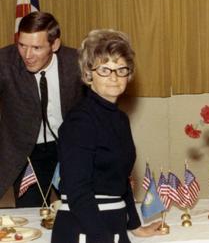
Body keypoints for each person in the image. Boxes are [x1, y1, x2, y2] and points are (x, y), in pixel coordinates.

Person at [52, 29, 163, 243]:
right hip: (84, 229)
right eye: (104, 69)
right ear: (88, 73)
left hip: (111, 225)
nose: (114, 77)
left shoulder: (120, 119)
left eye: (121, 69)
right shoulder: (80, 121)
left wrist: (135, 226)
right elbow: (77, 190)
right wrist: (102, 237)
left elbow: (121, 181)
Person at [0, 11, 84, 207]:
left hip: (68, 149)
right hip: (26, 154)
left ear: (54, 45)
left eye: (36, 48)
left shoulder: (77, 62)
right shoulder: (5, 62)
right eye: (22, 45)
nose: (27, 55)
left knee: (76, 209)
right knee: (30, 215)